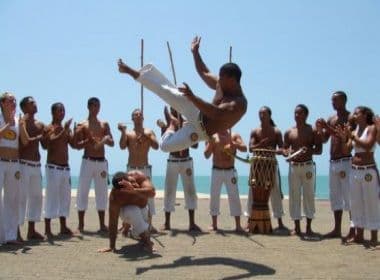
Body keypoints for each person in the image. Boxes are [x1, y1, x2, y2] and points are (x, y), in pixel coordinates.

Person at [117, 36, 247, 152]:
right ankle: (130, 71)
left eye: (222, 78)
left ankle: (173, 124)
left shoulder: (239, 104)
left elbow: (216, 113)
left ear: (232, 80)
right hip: (197, 112)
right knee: (168, 92)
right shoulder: (222, 83)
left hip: (201, 132)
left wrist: (193, 97)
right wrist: (195, 53)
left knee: (165, 146)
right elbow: (204, 72)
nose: (219, 80)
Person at [337, 106, 379, 247]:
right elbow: (346, 150)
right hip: (354, 170)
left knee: (371, 202)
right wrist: (344, 138)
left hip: (368, 171)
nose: (354, 115)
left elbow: (368, 145)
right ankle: (359, 235)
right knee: (356, 203)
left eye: (357, 113)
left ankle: (374, 237)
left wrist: (352, 136)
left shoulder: (371, 128)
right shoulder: (354, 131)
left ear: (365, 114)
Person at [316, 91, 355, 239]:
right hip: (333, 162)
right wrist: (320, 131)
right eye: (332, 100)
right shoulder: (331, 118)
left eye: (335, 100)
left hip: (345, 160)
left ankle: (353, 229)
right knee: (335, 196)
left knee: (349, 196)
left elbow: (345, 136)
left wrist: (327, 127)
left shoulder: (350, 117)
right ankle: (337, 229)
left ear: (344, 101)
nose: (333, 103)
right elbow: (325, 139)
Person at [74, 97, 114, 233]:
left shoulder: (104, 124)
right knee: (82, 192)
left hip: (101, 162)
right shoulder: (82, 124)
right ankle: (80, 225)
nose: (97, 108)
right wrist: (87, 140)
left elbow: (112, 142)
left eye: (98, 106)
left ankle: (102, 225)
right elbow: (77, 145)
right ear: (89, 107)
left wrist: (104, 140)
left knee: (102, 193)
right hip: (87, 161)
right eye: (94, 106)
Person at [158, 107, 201, 231]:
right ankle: (167, 223)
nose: (175, 111)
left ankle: (192, 223)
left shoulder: (188, 125)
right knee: (169, 191)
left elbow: (196, 145)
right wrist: (164, 128)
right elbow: (164, 144)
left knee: (190, 191)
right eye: (173, 109)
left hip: (186, 161)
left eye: (176, 108)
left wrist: (190, 133)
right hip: (172, 161)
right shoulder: (168, 126)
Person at [283, 104, 323, 236]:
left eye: (300, 113)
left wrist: (307, 150)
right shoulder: (289, 132)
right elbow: (285, 149)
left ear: (306, 115)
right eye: (295, 113)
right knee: (294, 196)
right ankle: (297, 227)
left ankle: (309, 227)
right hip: (294, 166)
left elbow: (319, 150)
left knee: (309, 195)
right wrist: (287, 152)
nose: (297, 115)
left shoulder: (312, 130)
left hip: (307, 167)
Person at [118, 108, 159, 233]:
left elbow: (156, 146)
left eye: (140, 114)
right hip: (131, 169)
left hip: (144, 169)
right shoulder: (129, 133)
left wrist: (147, 136)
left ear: (143, 118)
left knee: (148, 197)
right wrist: (123, 131)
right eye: (136, 114)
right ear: (132, 118)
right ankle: (126, 225)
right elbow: (122, 146)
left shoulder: (149, 132)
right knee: (128, 196)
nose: (138, 115)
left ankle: (149, 224)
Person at [247, 106, 286, 231]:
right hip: (257, 165)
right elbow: (251, 148)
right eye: (260, 113)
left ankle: (279, 222)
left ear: (270, 115)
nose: (261, 116)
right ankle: (249, 221)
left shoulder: (276, 131)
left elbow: (282, 148)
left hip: (271, 165)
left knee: (275, 192)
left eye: (264, 113)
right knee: (252, 192)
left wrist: (280, 151)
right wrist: (261, 145)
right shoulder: (255, 131)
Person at [98, 170, 155, 253]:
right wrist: (112, 246)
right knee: (132, 211)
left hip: (144, 211)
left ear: (129, 178)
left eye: (126, 187)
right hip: (128, 213)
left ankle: (133, 232)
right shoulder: (116, 195)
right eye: (122, 190)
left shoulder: (139, 177)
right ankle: (146, 241)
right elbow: (113, 222)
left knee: (138, 234)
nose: (125, 192)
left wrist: (134, 190)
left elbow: (152, 193)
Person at [42, 102, 75, 238]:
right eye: (59, 111)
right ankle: (47, 229)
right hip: (53, 167)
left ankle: (63, 227)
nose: (62, 113)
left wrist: (75, 132)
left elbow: (74, 144)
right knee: (51, 197)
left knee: (65, 198)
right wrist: (63, 131)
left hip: (65, 168)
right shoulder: (48, 128)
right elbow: (46, 144)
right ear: (53, 113)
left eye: (63, 110)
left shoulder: (65, 129)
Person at [204, 129, 247, 232]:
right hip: (216, 170)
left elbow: (245, 148)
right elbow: (206, 155)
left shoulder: (234, 135)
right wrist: (211, 143)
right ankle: (214, 224)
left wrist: (235, 145)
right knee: (214, 196)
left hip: (230, 170)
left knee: (234, 196)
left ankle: (238, 225)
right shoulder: (212, 136)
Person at [18, 96, 46, 241]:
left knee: (36, 197)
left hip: (36, 165)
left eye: (35, 102)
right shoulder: (19, 123)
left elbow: (45, 146)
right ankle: (16, 232)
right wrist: (38, 137)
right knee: (21, 198)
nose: (35, 104)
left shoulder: (40, 124)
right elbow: (23, 144)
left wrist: (47, 136)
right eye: (31, 103)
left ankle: (31, 230)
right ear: (23, 108)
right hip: (23, 164)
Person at [0, 92, 22, 244]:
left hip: (14, 164)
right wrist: (7, 124)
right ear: (2, 103)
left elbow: (25, 141)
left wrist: (21, 125)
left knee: (12, 200)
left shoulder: (17, 120)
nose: (13, 102)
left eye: (15, 100)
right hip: (1, 162)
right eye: (10, 100)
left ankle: (11, 236)